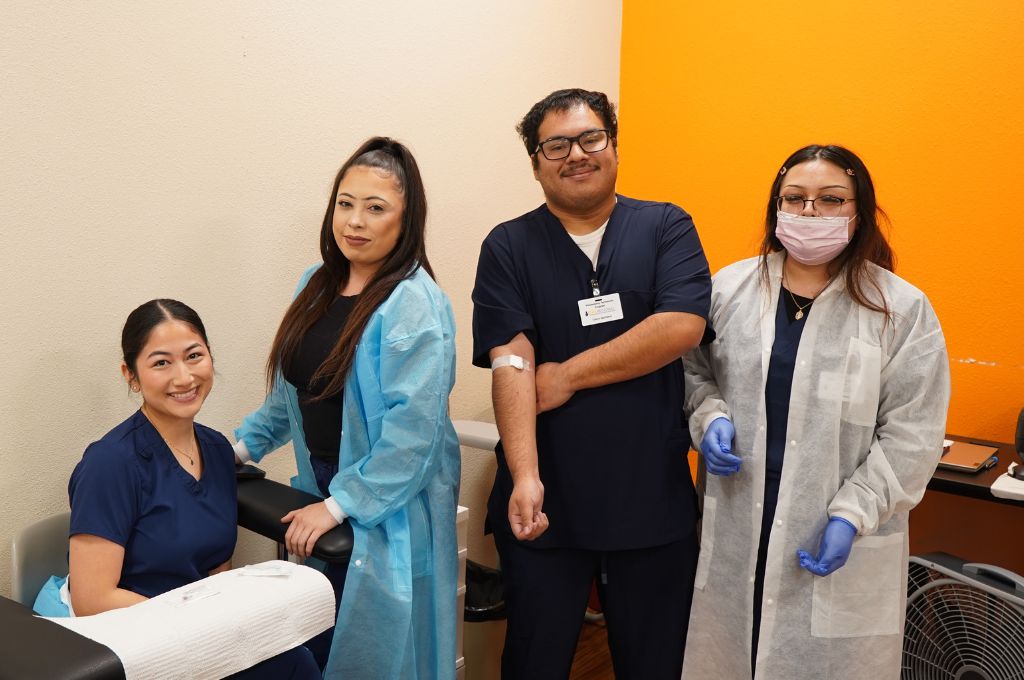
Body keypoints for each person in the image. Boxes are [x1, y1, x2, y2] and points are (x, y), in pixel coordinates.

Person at [681, 144, 950, 679]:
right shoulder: (728, 290)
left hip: (833, 527)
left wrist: (854, 514)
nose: (809, 213)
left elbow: (912, 435)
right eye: (795, 198)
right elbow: (692, 370)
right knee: (730, 651)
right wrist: (710, 416)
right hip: (738, 520)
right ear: (775, 207)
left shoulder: (901, 309)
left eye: (830, 200)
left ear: (859, 210)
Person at [471, 88, 713, 679]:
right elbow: (511, 357)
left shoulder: (665, 226)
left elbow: (680, 325)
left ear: (613, 145)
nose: (575, 154)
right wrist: (525, 476)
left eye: (590, 138)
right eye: (555, 145)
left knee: (656, 660)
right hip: (546, 495)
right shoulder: (509, 244)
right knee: (535, 657)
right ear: (536, 163)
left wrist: (568, 376)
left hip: (648, 492)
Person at [233, 136, 461, 679]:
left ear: (406, 221)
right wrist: (237, 449)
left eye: (375, 208)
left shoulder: (415, 304)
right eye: (345, 203)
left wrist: (338, 506)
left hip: (391, 499)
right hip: (324, 482)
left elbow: (413, 438)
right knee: (323, 636)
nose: (355, 221)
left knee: (381, 653)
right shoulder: (315, 284)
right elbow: (291, 393)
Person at [34, 299, 320, 679]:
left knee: (296, 661)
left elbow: (216, 565)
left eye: (194, 356)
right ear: (131, 375)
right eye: (161, 362)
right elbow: (92, 600)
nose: (184, 377)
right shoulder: (111, 463)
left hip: (196, 628)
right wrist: (196, 626)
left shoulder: (217, 450)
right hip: (129, 636)